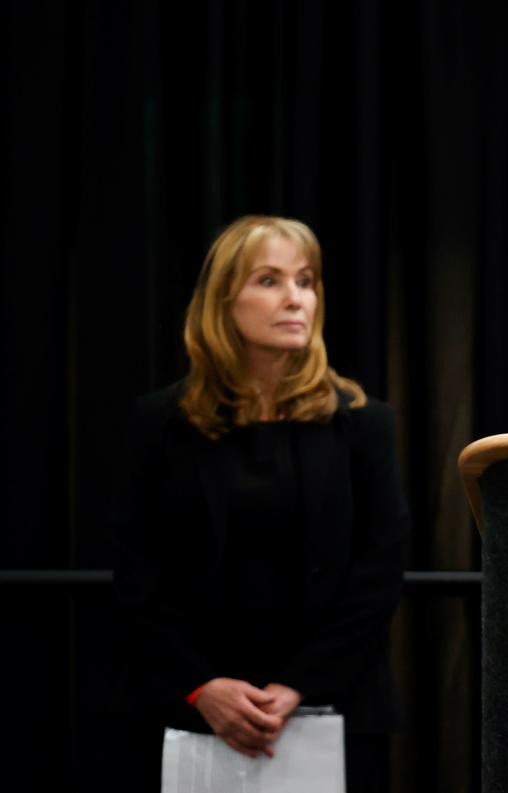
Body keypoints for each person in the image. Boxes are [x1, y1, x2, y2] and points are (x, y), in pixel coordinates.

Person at [111, 215, 408, 792]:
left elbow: (379, 573)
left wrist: (299, 686)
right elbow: (137, 573)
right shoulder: (161, 423)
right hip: (189, 712)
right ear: (223, 301)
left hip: (334, 709)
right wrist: (201, 687)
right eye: (269, 281)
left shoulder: (364, 423)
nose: (295, 298)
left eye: (305, 281)